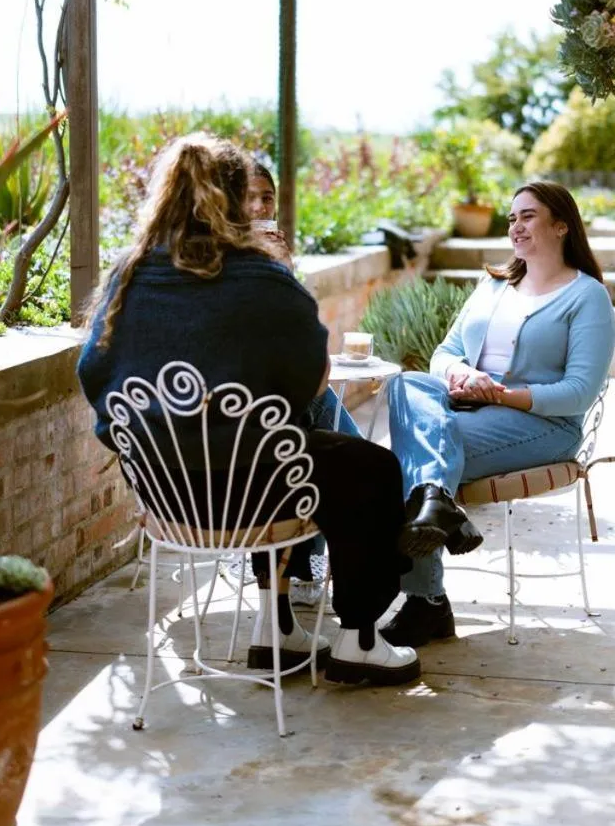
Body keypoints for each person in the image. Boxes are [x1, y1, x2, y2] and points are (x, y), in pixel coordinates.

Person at [78, 133, 419, 686]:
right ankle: (358, 639)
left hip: (167, 497)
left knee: (273, 447)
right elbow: (310, 382)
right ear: (235, 202)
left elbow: (94, 377)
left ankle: (276, 627)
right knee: (369, 469)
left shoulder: (128, 275)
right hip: (253, 497)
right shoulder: (259, 278)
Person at [382, 181, 615, 648]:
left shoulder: (587, 298)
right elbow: (443, 354)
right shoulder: (493, 285)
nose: (516, 226)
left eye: (528, 216)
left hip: (543, 427)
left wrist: (502, 396)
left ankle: (426, 602)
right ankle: (437, 506)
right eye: (511, 218)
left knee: (407, 459)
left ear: (561, 225)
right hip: (466, 407)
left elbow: (578, 392)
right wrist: (466, 375)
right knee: (407, 384)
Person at [244, 157, 359, 605]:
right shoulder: (222, 269)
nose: (258, 207)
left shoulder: (265, 264)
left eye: (266, 198)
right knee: (320, 427)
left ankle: (305, 561)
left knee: (312, 413)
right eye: (247, 198)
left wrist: (280, 268)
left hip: (247, 429)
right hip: (243, 442)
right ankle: (353, 543)